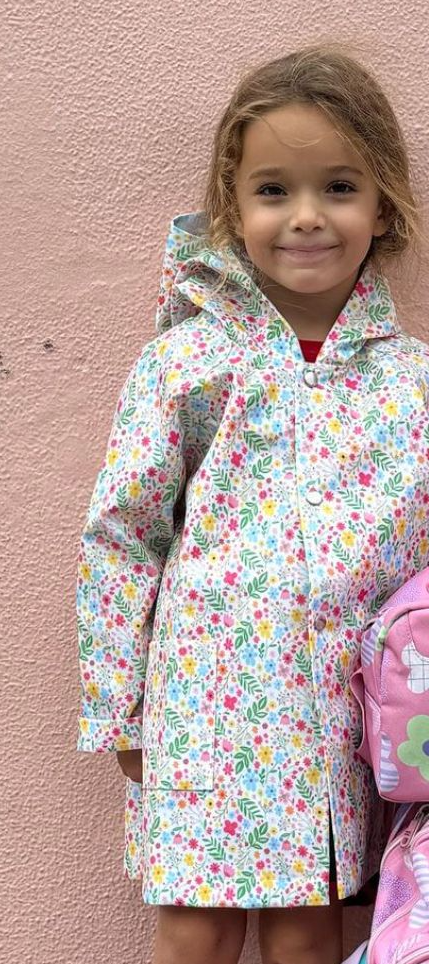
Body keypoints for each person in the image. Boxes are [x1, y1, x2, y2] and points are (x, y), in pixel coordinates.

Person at [76, 43, 429, 964]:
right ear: (233, 209)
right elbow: (124, 536)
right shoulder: (187, 360)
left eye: (338, 187)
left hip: (345, 713)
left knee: (308, 928)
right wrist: (117, 710)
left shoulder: (412, 382)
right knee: (195, 926)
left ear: (381, 203)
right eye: (273, 190)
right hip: (206, 702)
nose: (305, 216)